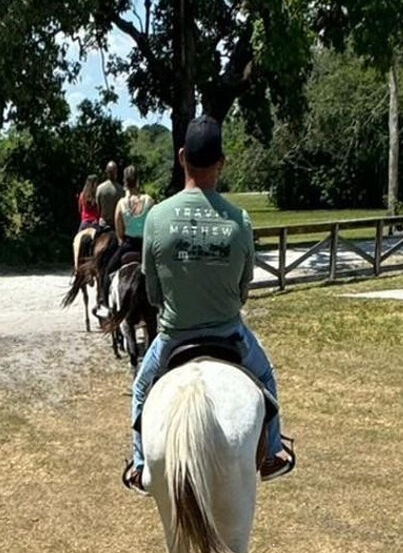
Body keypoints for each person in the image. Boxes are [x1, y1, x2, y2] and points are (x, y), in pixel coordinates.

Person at [123, 114, 295, 495]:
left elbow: (152, 293)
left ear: (182, 157)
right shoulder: (239, 220)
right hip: (228, 333)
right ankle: (272, 454)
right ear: (222, 162)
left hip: (172, 337)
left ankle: (138, 464)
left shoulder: (157, 217)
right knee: (266, 378)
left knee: (139, 390)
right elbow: (243, 288)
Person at [100, 165, 154, 307]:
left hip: (128, 244)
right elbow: (154, 225)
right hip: (145, 245)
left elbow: (119, 232)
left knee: (108, 272)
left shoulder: (121, 204)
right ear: (138, 180)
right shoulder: (149, 200)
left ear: (124, 181)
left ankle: (106, 306)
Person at [96, 160, 124, 229]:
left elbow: (98, 207)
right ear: (116, 173)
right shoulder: (121, 190)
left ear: (107, 172)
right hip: (116, 224)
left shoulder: (100, 188)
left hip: (103, 223)